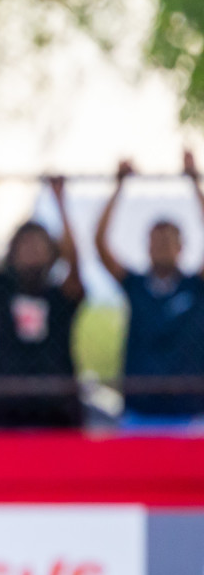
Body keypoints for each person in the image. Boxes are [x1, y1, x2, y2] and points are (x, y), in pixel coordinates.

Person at [0, 172, 85, 429]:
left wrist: (60, 201)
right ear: (13, 253)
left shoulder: (61, 295)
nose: (31, 250)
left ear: (52, 253)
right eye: (25, 245)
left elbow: (76, 261)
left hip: (58, 407)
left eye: (38, 245)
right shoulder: (2, 290)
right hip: (6, 404)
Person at [94, 157, 204, 428]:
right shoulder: (135, 285)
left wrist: (194, 183)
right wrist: (119, 186)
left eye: (169, 240)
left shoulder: (195, 286)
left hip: (189, 413)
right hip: (138, 413)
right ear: (147, 245)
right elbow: (100, 243)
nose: (162, 246)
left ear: (182, 246)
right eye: (156, 240)